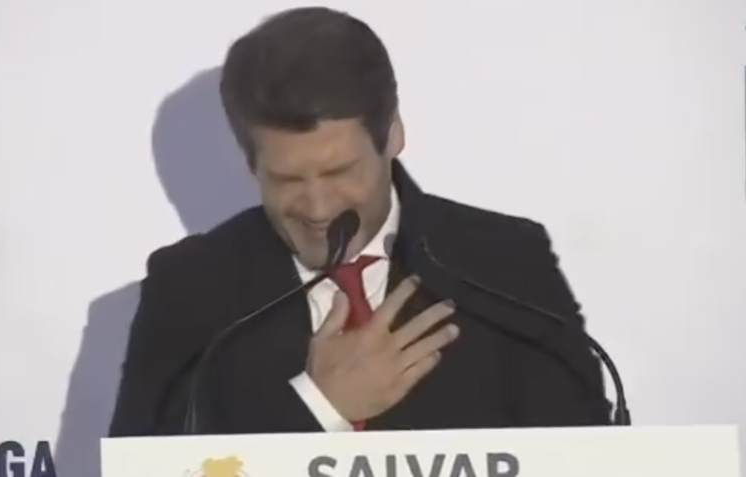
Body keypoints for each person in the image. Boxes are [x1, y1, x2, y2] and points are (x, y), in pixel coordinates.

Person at [108, 6, 610, 436]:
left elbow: (588, 452)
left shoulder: (504, 262)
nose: (318, 208)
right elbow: (144, 462)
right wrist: (318, 407)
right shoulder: (190, 285)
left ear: (393, 135)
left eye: (340, 172)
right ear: (250, 163)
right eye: (287, 179)